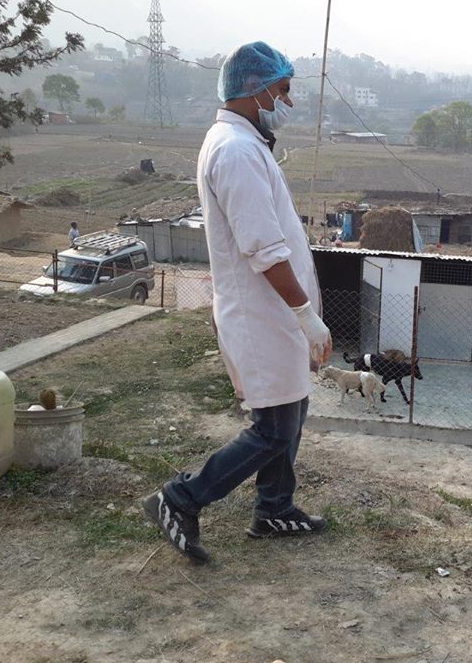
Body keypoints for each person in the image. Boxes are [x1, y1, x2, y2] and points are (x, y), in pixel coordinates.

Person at [142, 42, 332, 563]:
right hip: (261, 314)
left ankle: (274, 508)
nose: (288, 102)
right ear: (256, 89)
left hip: (272, 312)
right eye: (283, 90)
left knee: (292, 408)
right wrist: (306, 316)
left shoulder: (245, 142)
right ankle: (180, 498)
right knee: (274, 427)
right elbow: (263, 249)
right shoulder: (236, 152)